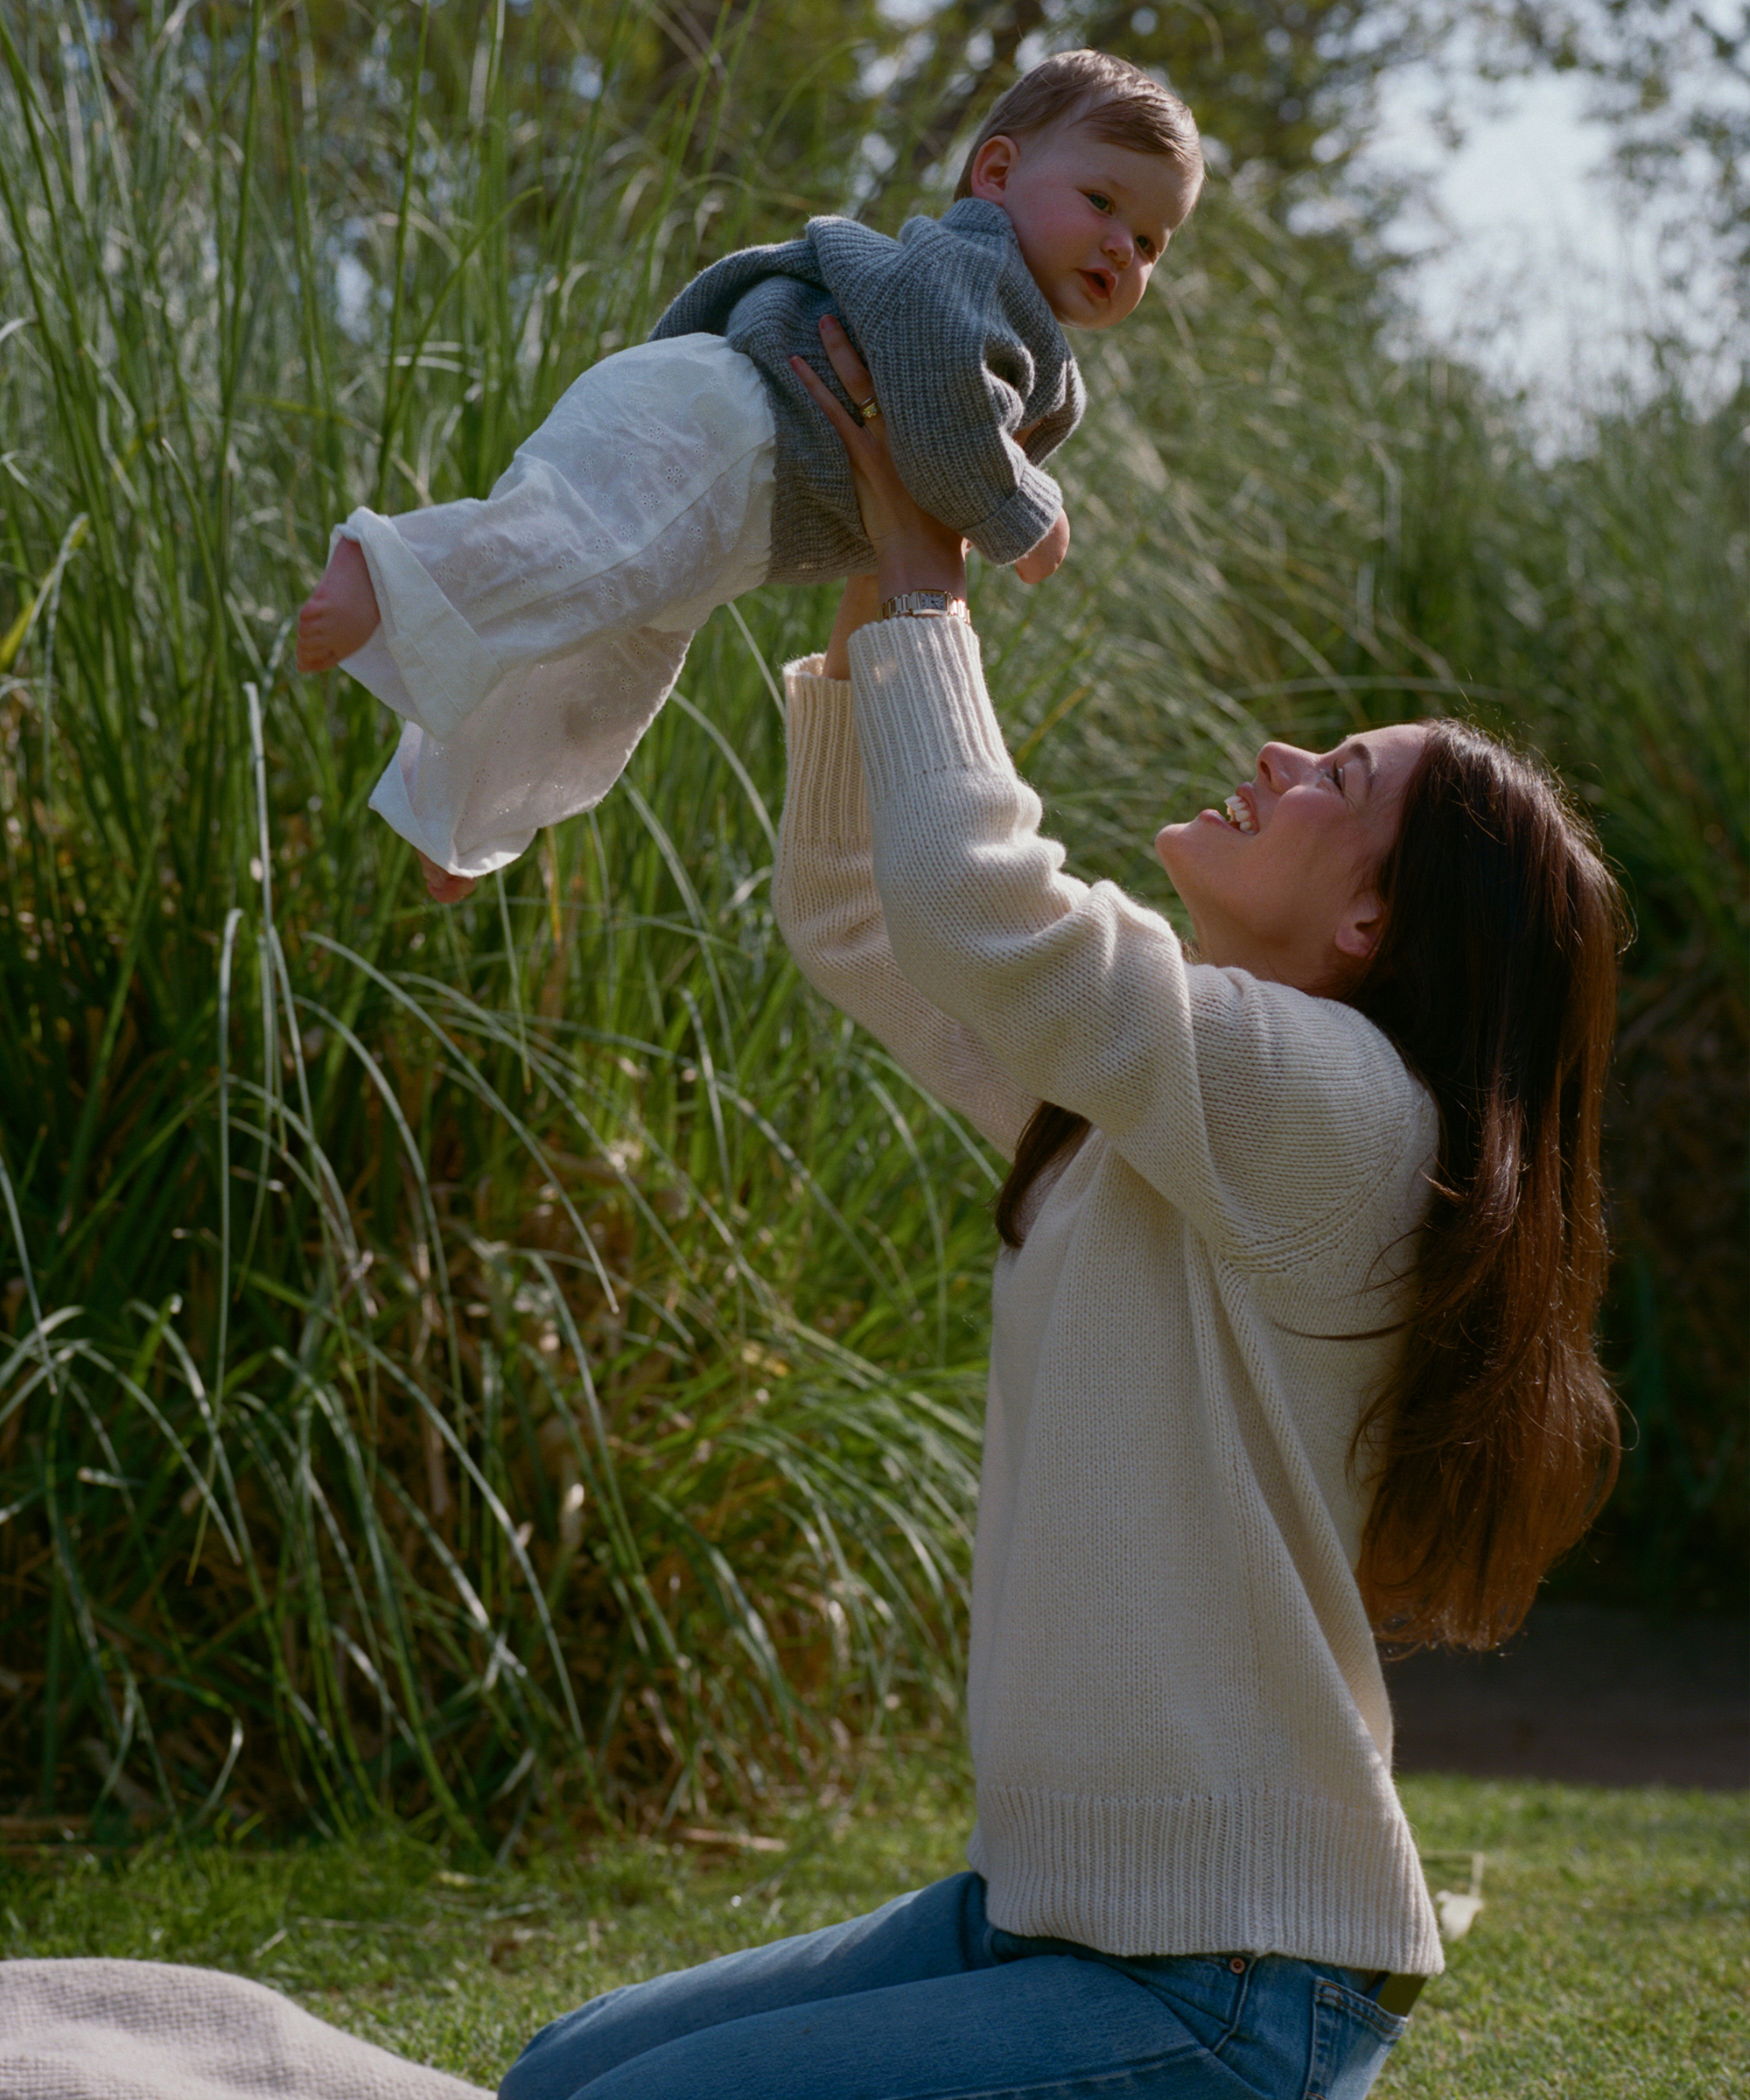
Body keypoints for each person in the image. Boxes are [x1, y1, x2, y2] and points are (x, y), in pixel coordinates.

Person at [492, 323, 1626, 2100]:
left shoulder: (1332, 1112)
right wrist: (875, 583)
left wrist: (935, 580)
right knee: (564, 2076)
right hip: (1057, 1918)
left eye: (1338, 780)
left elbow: (981, 904)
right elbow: (873, 919)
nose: (1277, 756)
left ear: (1369, 930)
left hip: (1227, 1985)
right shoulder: (1177, 1106)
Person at [294, 51, 1203, 899]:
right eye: (1100, 200)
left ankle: (452, 817)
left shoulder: (1034, 347)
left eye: (1153, 242)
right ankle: (386, 566)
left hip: (737, 508)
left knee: (597, 680)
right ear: (996, 176)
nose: (1123, 246)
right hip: (726, 433)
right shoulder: (972, 266)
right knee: (571, 552)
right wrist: (1025, 515)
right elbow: (941, 414)